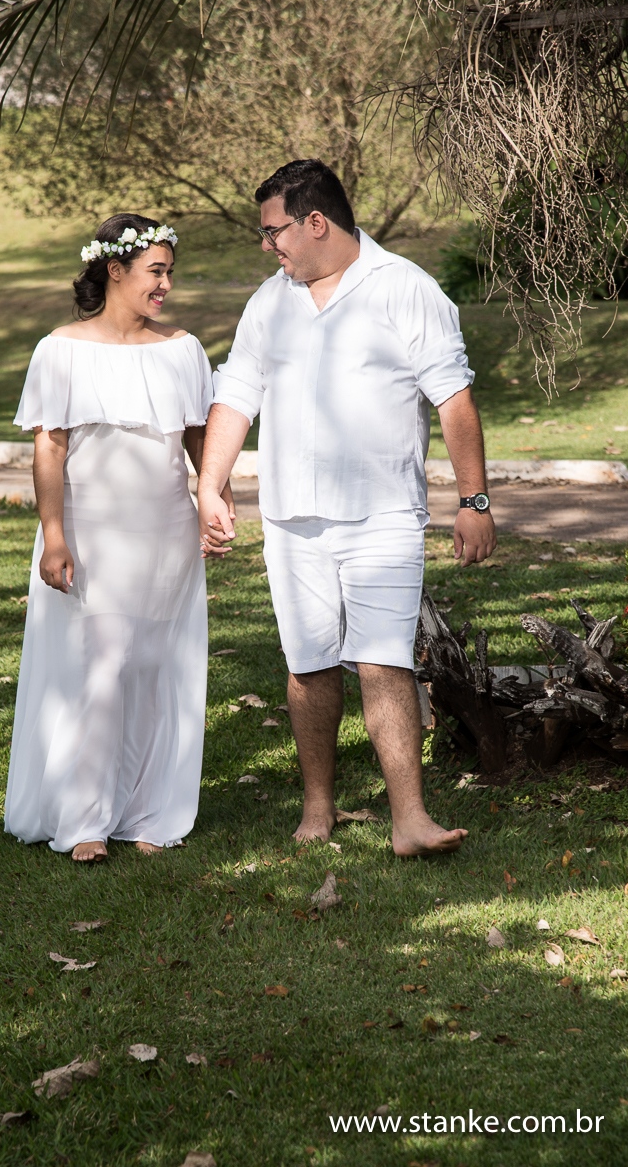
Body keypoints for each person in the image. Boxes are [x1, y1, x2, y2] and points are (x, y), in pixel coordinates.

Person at [197, 160, 496, 856]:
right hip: (290, 518)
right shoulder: (269, 302)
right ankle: (317, 807)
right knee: (307, 667)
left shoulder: (405, 290)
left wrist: (473, 501)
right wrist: (211, 485)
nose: (267, 246)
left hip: (383, 516)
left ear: (315, 223)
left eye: (274, 232)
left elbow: (454, 401)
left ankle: (409, 820)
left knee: (384, 661)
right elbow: (236, 394)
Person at [4, 214, 233, 862]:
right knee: (100, 666)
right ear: (115, 271)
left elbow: (198, 436)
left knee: (156, 667)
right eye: (154, 271)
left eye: (168, 272)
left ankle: (146, 811)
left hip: (166, 531)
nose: (165, 285)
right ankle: (83, 821)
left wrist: (215, 499)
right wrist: (53, 536)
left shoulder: (182, 348)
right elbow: (49, 447)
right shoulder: (61, 349)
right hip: (91, 528)